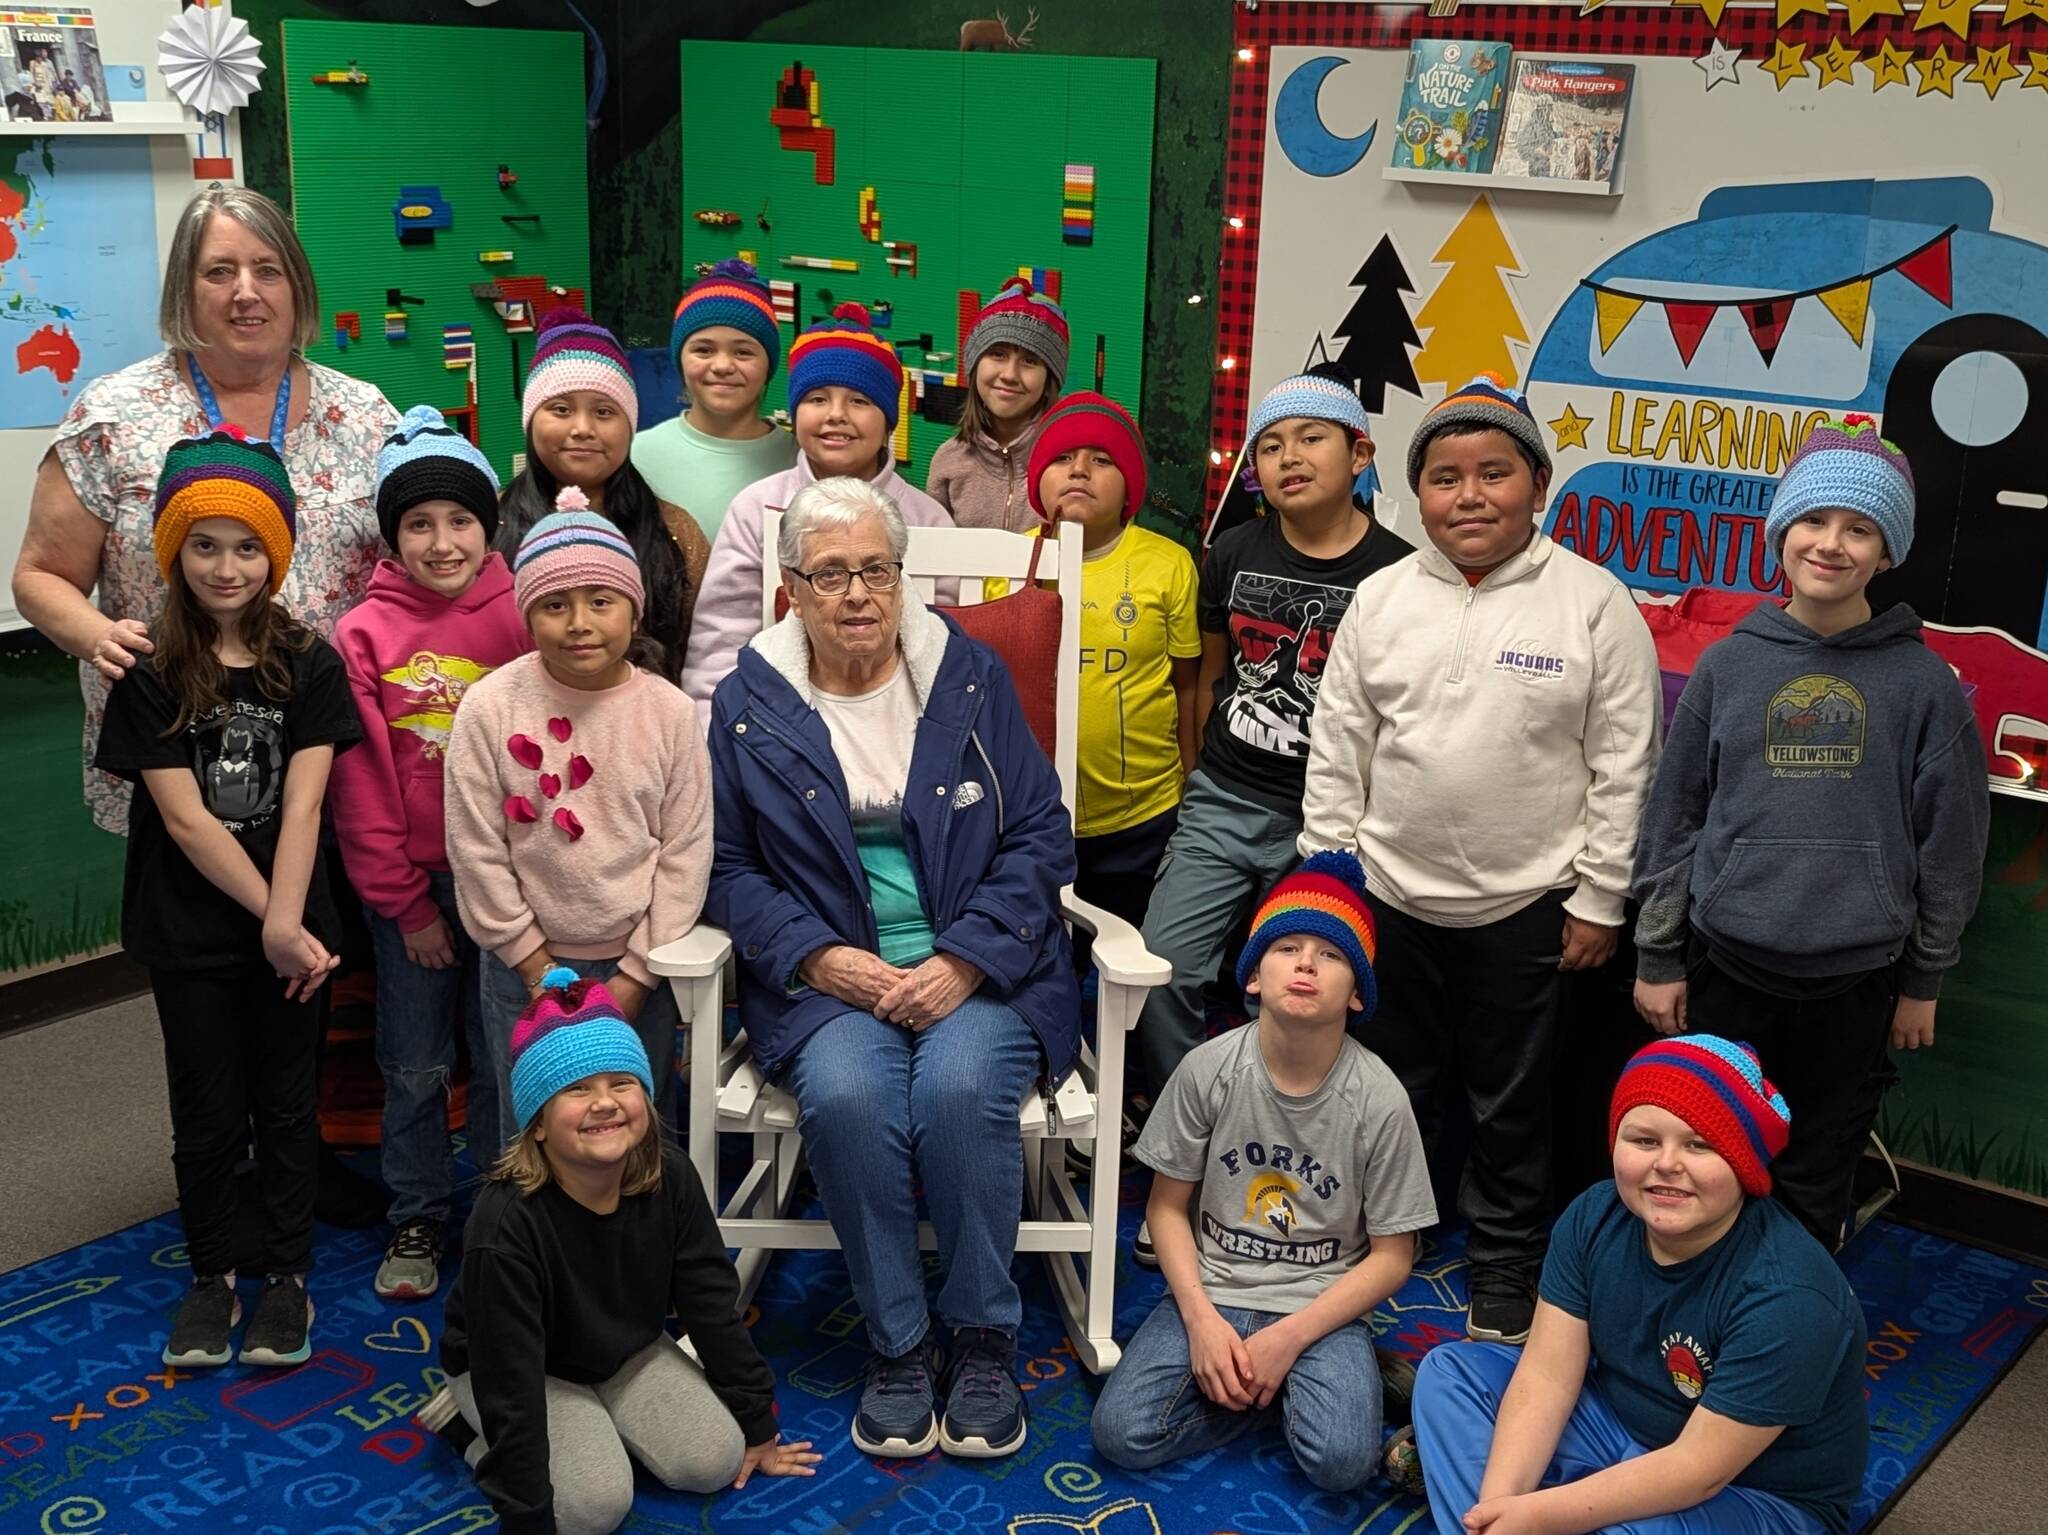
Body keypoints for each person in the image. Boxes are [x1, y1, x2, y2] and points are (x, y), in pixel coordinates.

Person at [704, 476, 1077, 1462]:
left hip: (983, 965)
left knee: (958, 1091)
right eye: (831, 573)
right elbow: (727, 870)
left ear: (901, 575)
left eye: (876, 568)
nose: (858, 592)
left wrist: (962, 957)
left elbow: (1040, 832)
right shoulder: (747, 701)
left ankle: (986, 1334)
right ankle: (900, 1340)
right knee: (849, 1095)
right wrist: (822, 959)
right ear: (791, 587)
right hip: (830, 976)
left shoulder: (969, 674)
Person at [1300, 374, 1663, 1345]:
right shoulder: (1379, 598)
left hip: (1528, 908)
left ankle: (1505, 1251)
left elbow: (1624, 764)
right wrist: (1326, 876)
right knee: (1393, 1080)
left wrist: (1598, 899)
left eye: (1492, 472)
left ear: (1536, 484)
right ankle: (1395, 1230)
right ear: (1413, 494)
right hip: (1384, 896)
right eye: (1443, 476)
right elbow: (1339, 746)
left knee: (1513, 1098)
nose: (1467, 495)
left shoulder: (1591, 603)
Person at [1631, 415, 1989, 1251]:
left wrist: (1923, 980)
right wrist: (1656, 953)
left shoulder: (1922, 683)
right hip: (1725, 968)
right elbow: (1674, 814)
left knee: (1815, 1174)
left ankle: (1782, 1344)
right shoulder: (1729, 664)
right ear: (1781, 532)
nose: (1833, 544)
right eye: (1815, 521)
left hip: (1857, 985)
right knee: (1710, 1158)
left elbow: (1951, 848)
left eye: (1860, 528)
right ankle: (1696, 1317)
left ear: (1887, 550)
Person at [94, 431, 364, 1369]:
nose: (226, 565)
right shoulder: (148, 669)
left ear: (276, 554)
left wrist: (290, 925)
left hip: (294, 930)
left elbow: (305, 801)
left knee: (289, 1106)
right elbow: (187, 821)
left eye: (247, 545)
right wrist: (273, 922)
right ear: (173, 550)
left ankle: (286, 1275)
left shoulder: (310, 663)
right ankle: (213, 1275)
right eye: (204, 544)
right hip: (193, 934)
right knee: (207, 1110)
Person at [11, 185, 396, 836]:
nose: (246, 291)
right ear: (184, 292)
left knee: (335, 929)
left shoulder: (366, 418)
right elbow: (40, 576)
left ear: (296, 286)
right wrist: (99, 638)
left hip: (327, 750)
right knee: (194, 930)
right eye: (220, 270)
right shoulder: (113, 417)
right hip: (176, 757)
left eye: (267, 270)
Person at [1411, 1036, 1868, 1535]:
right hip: (1619, 1426)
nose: (1667, 1163)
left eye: (1700, 1144)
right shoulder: (1593, 1216)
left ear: (1745, 1164)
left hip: (1755, 1494)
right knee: (1451, 1375)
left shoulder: (1791, 1298)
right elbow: (1546, 1376)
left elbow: (1697, 1471)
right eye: (1645, 1140)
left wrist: (1538, 1517)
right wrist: (1498, 1507)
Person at [1092, 851, 1436, 1492]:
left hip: (1320, 1303)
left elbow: (1394, 1257)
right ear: (1252, 978)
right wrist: (1199, 1322)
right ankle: (1295, 1395)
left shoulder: (1379, 1099)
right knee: (1122, 1434)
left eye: (1331, 955)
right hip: (1216, 1290)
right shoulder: (1207, 1070)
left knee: (1342, 1465)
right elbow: (1166, 1209)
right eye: (1286, 947)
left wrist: (1291, 1340)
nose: (1306, 963)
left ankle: (1308, 1380)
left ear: (1357, 992)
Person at [430, 971, 819, 1534]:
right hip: (524, 1369)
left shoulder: (672, 1175)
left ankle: (602, 1425)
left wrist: (758, 1424)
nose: (605, 1103)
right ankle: (464, 1430)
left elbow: (710, 1302)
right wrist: (528, 1516)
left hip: (623, 1348)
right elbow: (509, 1381)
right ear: (536, 1125)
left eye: (622, 1082)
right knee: (593, 1508)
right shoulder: (505, 1224)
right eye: (576, 1089)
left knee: (714, 1460)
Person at [1131, 368, 1412, 1123]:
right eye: (1270, 445)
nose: (1289, 457)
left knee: (1314, 988)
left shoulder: (1400, 573)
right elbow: (1210, 680)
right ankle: (1188, 1120)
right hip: (1222, 799)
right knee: (1161, 972)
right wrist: (1198, 778)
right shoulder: (1230, 551)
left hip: (1333, 822)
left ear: (1359, 454)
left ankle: (1293, 1129)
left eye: (1311, 439)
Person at [330, 406, 532, 1301]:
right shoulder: (361, 636)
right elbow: (362, 785)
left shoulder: (525, 613)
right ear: (392, 534)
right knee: (414, 1060)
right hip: (413, 888)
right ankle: (416, 1209)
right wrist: (406, 904)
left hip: (513, 880)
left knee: (502, 1052)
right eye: (418, 523)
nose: (442, 541)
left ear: (489, 526)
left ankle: (498, 1206)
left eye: (460, 520)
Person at [447, 493, 711, 1156]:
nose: (579, 623)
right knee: (532, 1126)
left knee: (635, 1122)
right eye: (555, 604)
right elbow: (477, 847)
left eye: (602, 600)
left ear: (633, 607)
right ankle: (536, 1257)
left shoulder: (670, 713)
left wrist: (637, 971)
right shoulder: (488, 706)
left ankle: (640, 1252)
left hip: (635, 963)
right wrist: (533, 963)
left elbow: (685, 851)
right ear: (529, 613)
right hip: (522, 963)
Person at [680, 302, 955, 712]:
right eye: (817, 399)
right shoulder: (756, 508)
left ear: (889, 422)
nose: (836, 416)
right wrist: (711, 740)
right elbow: (719, 644)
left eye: (860, 401)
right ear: (794, 412)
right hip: (774, 729)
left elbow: (950, 647)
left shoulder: (928, 519)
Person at [1005, 391, 1199, 927]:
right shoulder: (1009, 561)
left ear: (1131, 488)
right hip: (1032, 811)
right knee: (1042, 952)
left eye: (1102, 460)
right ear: (1039, 481)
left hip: (1143, 814)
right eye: (1063, 459)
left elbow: (1186, 684)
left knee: (1127, 960)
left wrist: (1189, 780)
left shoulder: (1169, 564)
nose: (1081, 471)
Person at [495, 308, 711, 685]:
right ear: (531, 422)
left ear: (629, 426)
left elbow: (705, 656)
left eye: (604, 412)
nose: (582, 429)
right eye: (560, 409)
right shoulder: (485, 525)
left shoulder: (674, 531)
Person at [630, 259, 795, 542]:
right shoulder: (637, 455)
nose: (722, 365)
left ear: (769, 366)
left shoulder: (798, 459)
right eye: (704, 350)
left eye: (743, 353)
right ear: (679, 360)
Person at [926, 277, 1067, 533]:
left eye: (1030, 361)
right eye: (998, 354)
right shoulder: (948, 461)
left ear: (1049, 379)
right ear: (975, 364)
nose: (1010, 374)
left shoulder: (1068, 465)